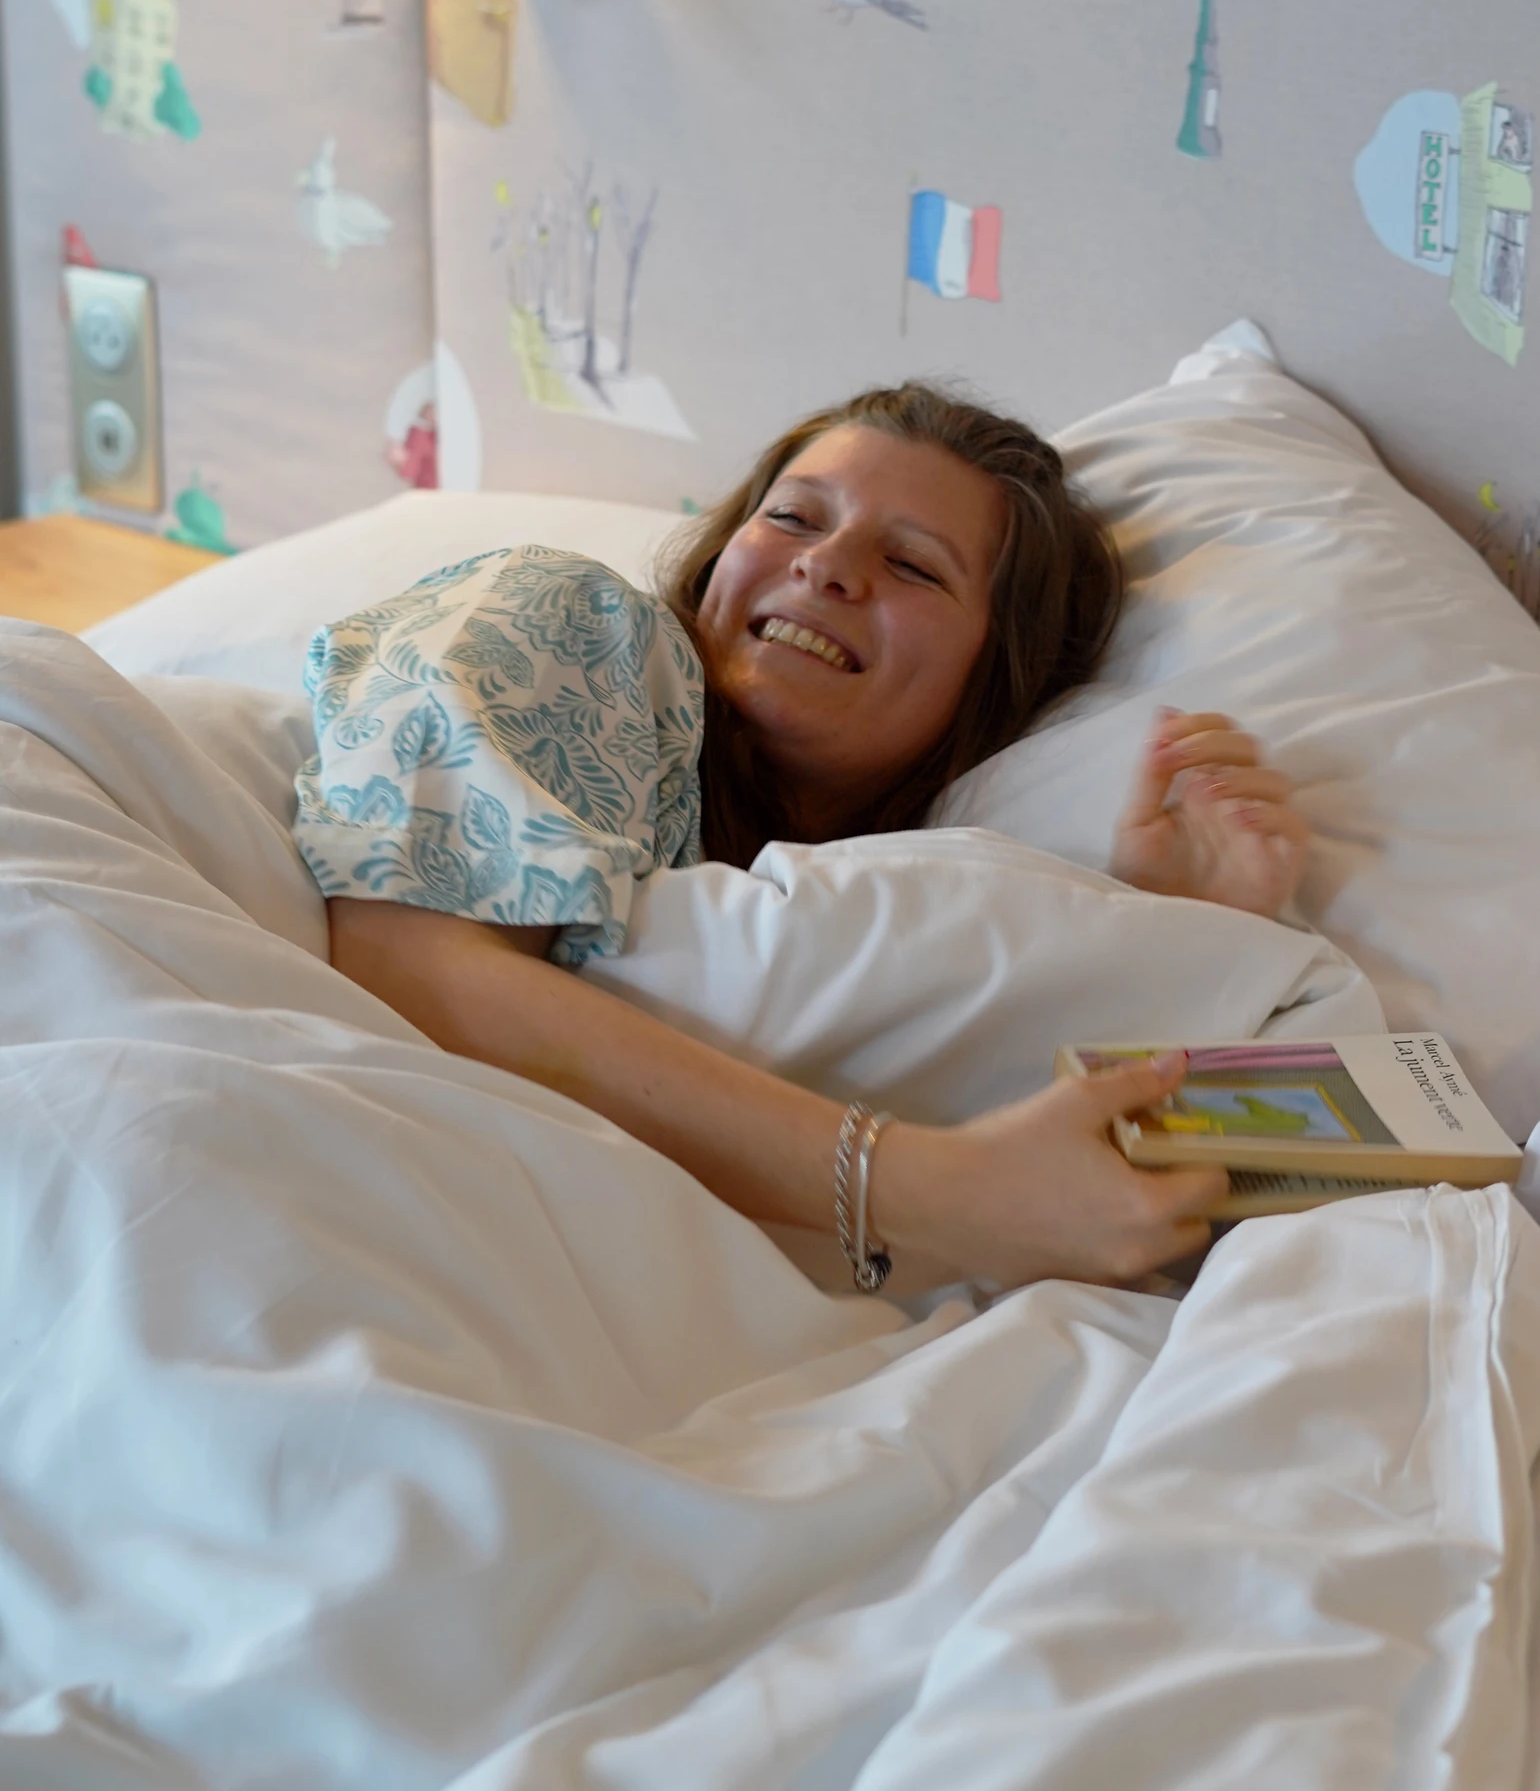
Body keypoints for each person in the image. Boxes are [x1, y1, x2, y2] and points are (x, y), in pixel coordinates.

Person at [301, 383, 1309, 1293]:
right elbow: (405, 960)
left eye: (911, 566)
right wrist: (922, 1186)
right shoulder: (573, 620)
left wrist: (1170, 949)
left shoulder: (900, 899)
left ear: (990, 682)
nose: (826, 565)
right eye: (791, 517)